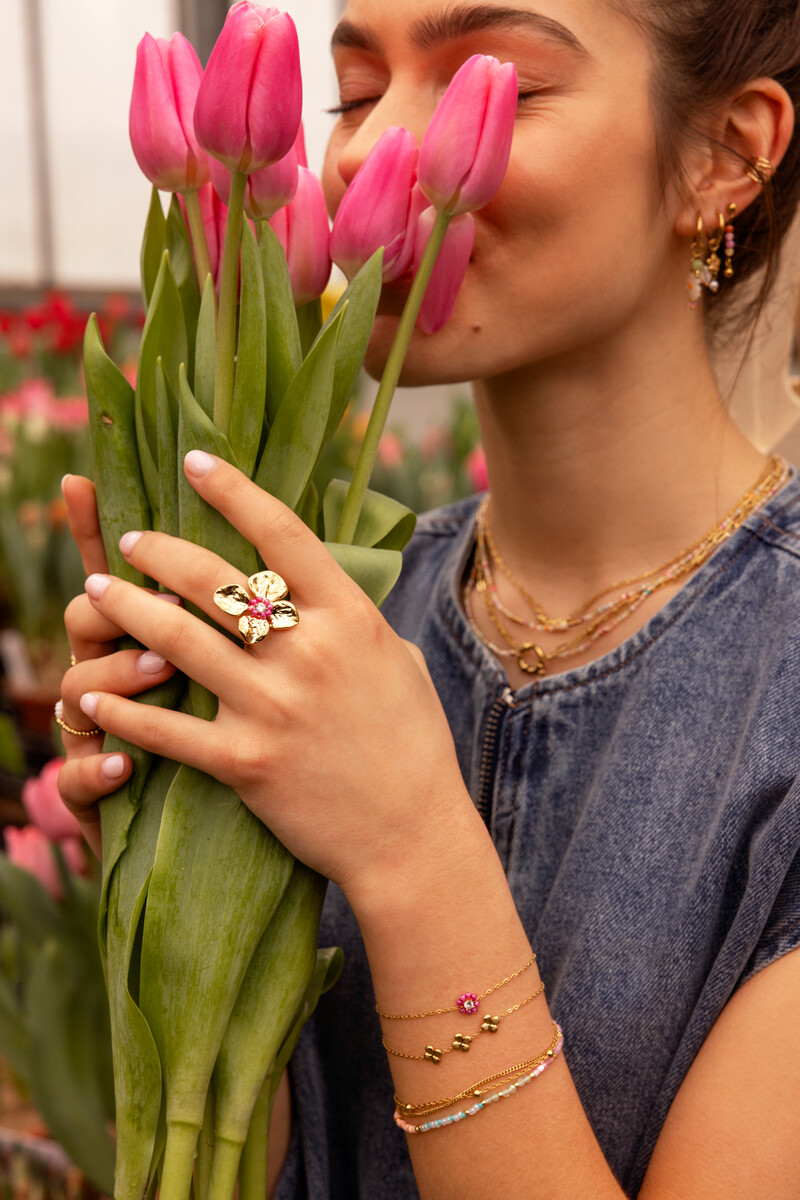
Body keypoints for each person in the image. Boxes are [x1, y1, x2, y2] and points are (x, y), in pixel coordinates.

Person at [56, 0, 800, 1196]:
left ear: (726, 155)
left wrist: (408, 850)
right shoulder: (326, 616)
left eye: (485, 82)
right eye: (349, 94)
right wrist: (167, 869)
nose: (362, 152)